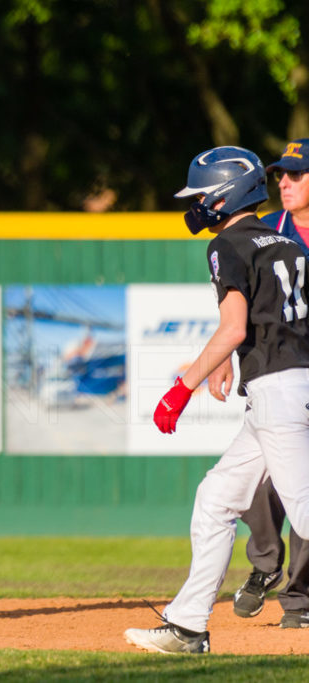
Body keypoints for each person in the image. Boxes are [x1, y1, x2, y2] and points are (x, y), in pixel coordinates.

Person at [124, 146, 309, 654]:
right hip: (291, 385)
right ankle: (187, 626)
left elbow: (233, 327)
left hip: (277, 390)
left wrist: (180, 389)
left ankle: (188, 626)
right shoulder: (288, 244)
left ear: (227, 192)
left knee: (305, 511)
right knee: (215, 500)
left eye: (204, 193)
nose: (198, 203)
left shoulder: (228, 244)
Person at [210, 139, 309, 629]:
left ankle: (298, 600)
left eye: (297, 173)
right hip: (288, 371)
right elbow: (247, 305)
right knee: (257, 484)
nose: (284, 182)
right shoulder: (275, 234)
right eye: (280, 175)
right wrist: (225, 352)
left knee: (299, 489)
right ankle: (267, 564)